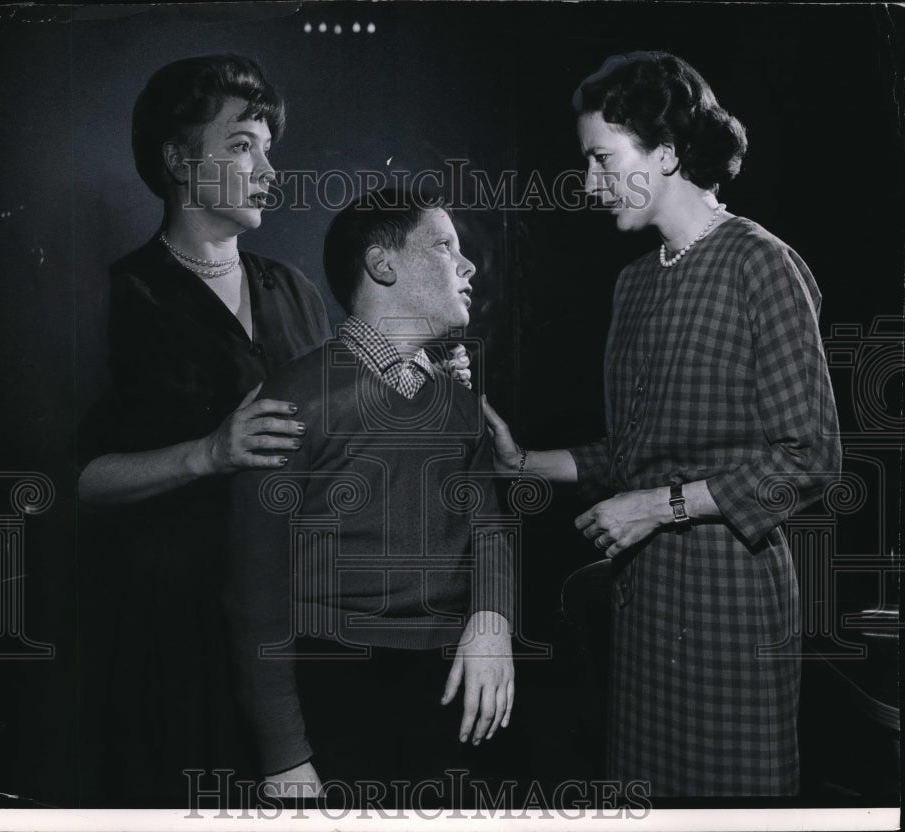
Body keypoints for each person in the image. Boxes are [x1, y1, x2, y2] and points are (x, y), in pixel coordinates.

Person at [483, 52, 841, 797]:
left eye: (603, 158)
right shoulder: (635, 283)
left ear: (669, 153)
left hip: (731, 600)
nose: (589, 183)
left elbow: (809, 459)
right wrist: (524, 465)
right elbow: (633, 456)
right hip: (644, 601)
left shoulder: (759, 264)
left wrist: (658, 508)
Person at [75, 55, 330, 806]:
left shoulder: (293, 287)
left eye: (268, 148)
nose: (268, 168)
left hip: (286, 634)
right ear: (179, 161)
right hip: (171, 648)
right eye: (243, 146)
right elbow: (82, 480)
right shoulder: (125, 295)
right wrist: (209, 452)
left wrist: (420, 388)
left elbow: (335, 432)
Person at [224, 190, 514, 805]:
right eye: (445, 247)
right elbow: (255, 593)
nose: (468, 268)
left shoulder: (460, 401)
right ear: (384, 266)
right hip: (332, 688)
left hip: (448, 685)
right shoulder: (295, 400)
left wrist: (493, 621)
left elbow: (490, 526)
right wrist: (284, 758)